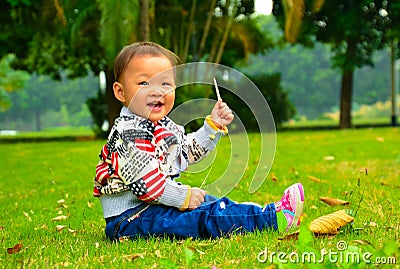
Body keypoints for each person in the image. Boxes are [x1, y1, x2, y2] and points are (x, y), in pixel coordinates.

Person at [92, 41, 304, 241]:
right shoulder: (129, 133)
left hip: (153, 207)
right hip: (130, 219)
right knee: (202, 217)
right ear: (121, 92)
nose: (157, 91)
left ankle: (266, 213)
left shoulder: (162, 125)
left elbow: (186, 151)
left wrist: (212, 127)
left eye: (165, 83)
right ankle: (270, 219)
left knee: (211, 203)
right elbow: (147, 185)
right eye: (144, 83)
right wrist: (184, 197)